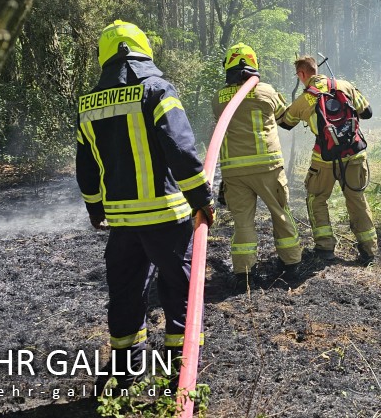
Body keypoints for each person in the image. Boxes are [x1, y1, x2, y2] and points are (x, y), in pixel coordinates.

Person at [76, 20, 214, 386]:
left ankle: (126, 373)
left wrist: (95, 209)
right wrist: (202, 198)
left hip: (121, 224)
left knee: (125, 293)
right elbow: (181, 149)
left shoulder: (88, 103)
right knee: (180, 291)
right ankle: (180, 375)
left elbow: (86, 168)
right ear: (143, 50)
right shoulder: (156, 89)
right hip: (167, 217)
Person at [213, 43, 302, 281]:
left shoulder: (218, 98)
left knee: (242, 222)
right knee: (280, 214)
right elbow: (286, 119)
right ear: (254, 66)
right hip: (267, 167)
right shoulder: (266, 91)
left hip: (234, 172)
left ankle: (243, 272)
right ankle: (291, 263)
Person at [278, 55, 377, 265]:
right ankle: (369, 251)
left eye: (298, 75)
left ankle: (325, 249)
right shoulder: (344, 85)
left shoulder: (306, 98)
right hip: (355, 153)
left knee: (317, 198)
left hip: (325, 158)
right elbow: (367, 112)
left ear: (302, 74)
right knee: (356, 198)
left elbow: (286, 123)